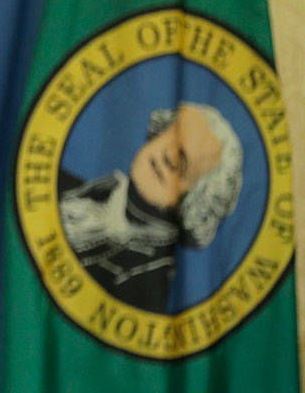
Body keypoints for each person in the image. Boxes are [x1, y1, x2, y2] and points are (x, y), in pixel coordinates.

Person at [59, 101, 243, 312]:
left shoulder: (142, 295)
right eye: (173, 136)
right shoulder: (58, 188)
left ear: (198, 200)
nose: (169, 157)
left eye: (186, 162)